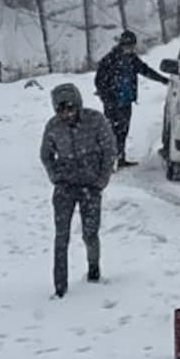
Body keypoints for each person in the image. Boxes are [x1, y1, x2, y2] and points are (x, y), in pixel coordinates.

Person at [40, 83, 116, 298]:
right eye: (61, 110)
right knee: (61, 237)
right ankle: (60, 286)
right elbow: (46, 155)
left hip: (91, 186)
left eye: (70, 108)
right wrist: (56, 177)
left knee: (90, 233)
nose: (66, 114)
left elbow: (109, 149)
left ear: (78, 105)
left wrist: (102, 179)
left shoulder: (95, 121)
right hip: (65, 187)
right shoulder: (53, 127)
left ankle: (93, 270)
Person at [94, 31, 169, 168]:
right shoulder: (109, 60)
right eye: (127, 45)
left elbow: (145, 70)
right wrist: (106, 97)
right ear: (121, 44)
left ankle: (120, 157)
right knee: (111, 132)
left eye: (131, 46)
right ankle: (108, 161)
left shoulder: (132, 59)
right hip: (113, 102)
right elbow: (99, 81)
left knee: (123, 131)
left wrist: (163, 80)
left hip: (126, 101)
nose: (129, 48)